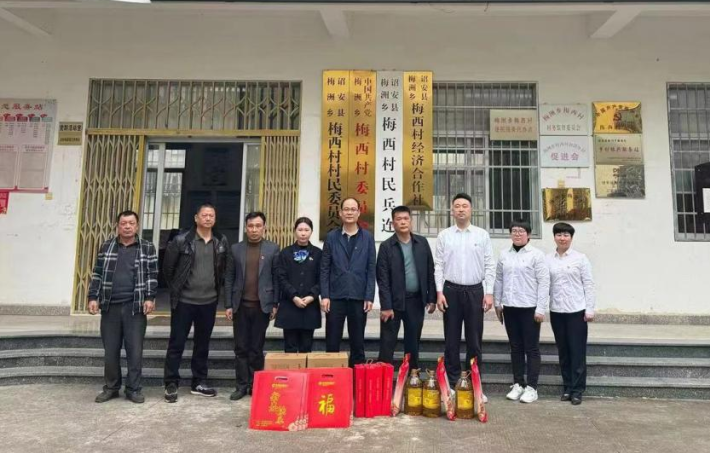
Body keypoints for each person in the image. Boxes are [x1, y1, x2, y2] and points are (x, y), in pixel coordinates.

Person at [162, 203, 230, 403]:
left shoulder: (221, 241)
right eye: (204, 215)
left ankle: (199, 381)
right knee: (177, 343)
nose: (208, 218)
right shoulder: (181, 240)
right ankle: (171, 382)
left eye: (211, 215)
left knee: (203, 344)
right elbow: (168, 269)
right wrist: (177, 290)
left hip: (208, 302)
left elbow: (224, 270)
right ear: (196, 218)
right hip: (184, 301)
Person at [88, 210, 157, 404]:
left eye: (131, 223)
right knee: (111, 351)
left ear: (137, 226)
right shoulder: (107, 246)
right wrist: (93, 297)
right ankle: (111, 387)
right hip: (110, 307)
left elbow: (152, 274)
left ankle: (133, 389)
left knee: (135, 351)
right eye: (123, 223)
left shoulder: (147, 247)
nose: (127, 226)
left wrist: (150, 297)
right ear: (118, 226)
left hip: (135, 307)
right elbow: (97, 273)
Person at [435, 193, 495, 392]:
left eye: (465, 206)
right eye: (457, 206)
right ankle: (453, 383)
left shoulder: (481, 235)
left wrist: (489, 293)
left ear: (471, 210)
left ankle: (473, 383)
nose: (461, 209)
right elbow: (439, 266)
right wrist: (439, 292)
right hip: (450, 291)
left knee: (474, 341)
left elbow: (489, 265)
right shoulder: (444, 235)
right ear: (452, 210)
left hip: (475, 291)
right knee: (451, 340)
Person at [225, 212, 280, 401]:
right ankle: (241, 385)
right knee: (241, 347)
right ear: (245, 227)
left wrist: (275, 303)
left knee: (256, 348)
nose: (254, 230)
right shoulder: (236, 249)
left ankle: (256, 384)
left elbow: (276, 278)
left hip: (262, 306)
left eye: (258, 226)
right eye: (250, 226)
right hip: (240, 305)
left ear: (264, 228)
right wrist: (228, 304)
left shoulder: (272, 249)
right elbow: (229, 277)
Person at [494, 219, 550, 404]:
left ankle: (532, 387)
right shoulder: (504, 255)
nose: (517, 234)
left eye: (521, 231)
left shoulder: (537, 255)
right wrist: (497, 303)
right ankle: (518, 383)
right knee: (515, 347)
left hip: (529, 308)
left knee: (531, 348)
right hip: (510, 307)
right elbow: (499, 279)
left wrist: (540, 308)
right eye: (514, 231)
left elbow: (544, 283)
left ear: (529, 234)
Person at [376, 206, 436, 369]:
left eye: (406, 218)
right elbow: (382, 279)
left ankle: (412, 377)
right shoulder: (386, 246)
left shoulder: (422, 243)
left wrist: (431, 298)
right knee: (387, 343)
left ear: (411, 221)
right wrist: (386, 305)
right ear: (393, 223)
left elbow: (430, 270)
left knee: (413, 343)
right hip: (393, 303)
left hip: (415, 301)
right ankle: (383, 378)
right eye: (399, 219)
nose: (403, 222)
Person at [320, 197, 376, 368]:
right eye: (346, 209)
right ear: (340, 213)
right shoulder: (332, 237)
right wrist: (325, 295)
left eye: (353, 209)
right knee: (332, 341)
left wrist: (369, 296)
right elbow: (325, 268)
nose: (349, 212)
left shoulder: (367, 237)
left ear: (359, 212)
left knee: (357, 343)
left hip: (358, 296)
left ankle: (356, 379)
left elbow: (371, 268)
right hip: (335, 297)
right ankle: (332, 377)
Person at [546, 222, 595, 406]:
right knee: (563, 351)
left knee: (577, 351)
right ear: (554, 237)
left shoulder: (580, 258)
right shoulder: (547, 259)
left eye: (566, 235)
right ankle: (567, 387)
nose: (562, 238)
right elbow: (544, 284)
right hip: (557, 310)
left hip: (577, 311)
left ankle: (577, 390)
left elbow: (588, 284)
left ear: (571, 238)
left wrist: (589, 308)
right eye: (559, 234)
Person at [274, 217, 322, 353]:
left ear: (311, 231)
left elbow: (322, 278)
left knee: (306, 348)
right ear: (294, 231)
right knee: (290, 348)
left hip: (310, 306)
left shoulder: (318, 253)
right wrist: (293, 296)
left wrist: (312, 296)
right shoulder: (285, 253)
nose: (303, 233)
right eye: (300, 229)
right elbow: (281, 277)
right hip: (290, 305)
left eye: (306, 230)